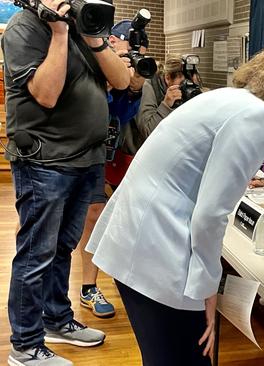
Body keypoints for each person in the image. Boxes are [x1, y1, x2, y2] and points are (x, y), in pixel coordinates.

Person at [85, 38, 264, 365]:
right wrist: (208, 290)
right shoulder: (260, 116)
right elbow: (209, 215)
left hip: (136, 239)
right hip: (157, 249)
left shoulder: (231, 98)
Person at [2, 0, 131, 364]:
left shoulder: (82, 28)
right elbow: (46, 93)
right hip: (45, 161)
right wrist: (58, 32)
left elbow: (121, 81)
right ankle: (25, 346)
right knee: (36, 254)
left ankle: (56, 320)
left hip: (86, 159)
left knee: (61, 249)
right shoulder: (24, 29)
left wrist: (92, 38)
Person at [75, 19, 149, 319]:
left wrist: (133, 84)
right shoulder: (84, 57)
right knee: (44, 221)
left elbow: (120, 113)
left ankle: (88, 288)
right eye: (123, 45)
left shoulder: (123, 69)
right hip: (59, 150)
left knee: (94, 214)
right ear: (109, 41)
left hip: (96, 151)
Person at [134, 54, 186, 138]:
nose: (186, 88)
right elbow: (148, 131)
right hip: (140, 148)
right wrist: (166, 105)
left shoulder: (188, 91)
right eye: (183, 83)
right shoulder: (148, 85)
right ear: (168, 77)